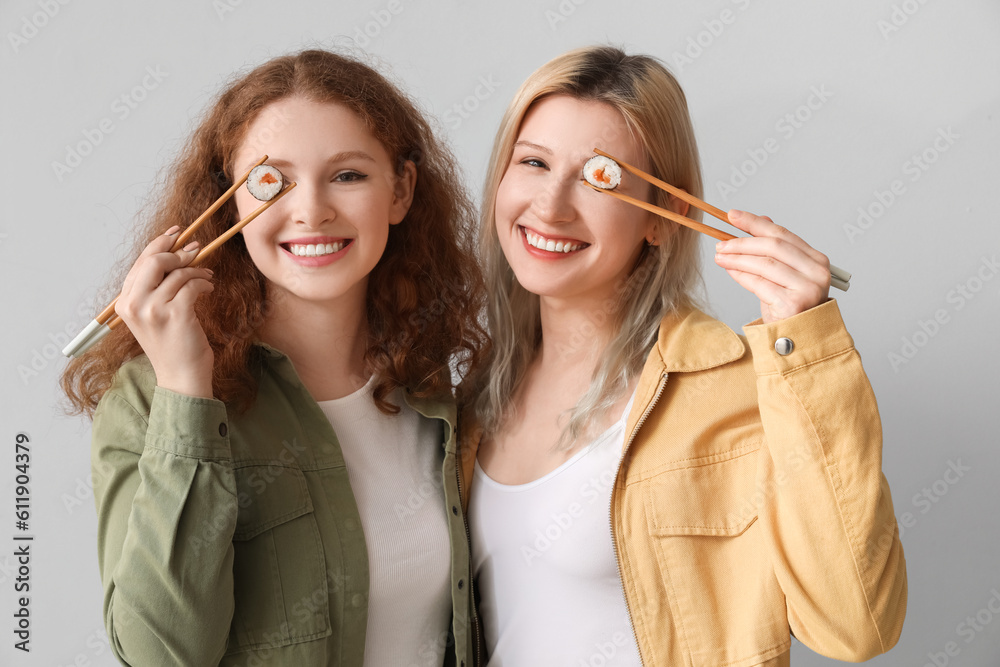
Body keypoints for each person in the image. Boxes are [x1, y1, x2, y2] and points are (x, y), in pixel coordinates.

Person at [461, 45, 907, 666]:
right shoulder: (469, 397)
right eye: (533, 162)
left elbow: (857, 625)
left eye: (600, 176)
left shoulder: (741, 391)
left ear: (665, 217)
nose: (551, 205)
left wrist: (805, 343)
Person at [61, 49, 486, 667]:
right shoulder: (152, 399)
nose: (311, 210)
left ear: (402, 190)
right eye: (270, 181)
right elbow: (160, 653)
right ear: (230, 202)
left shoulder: (428, 385)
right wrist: (185, 388)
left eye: (348, 175)